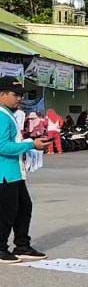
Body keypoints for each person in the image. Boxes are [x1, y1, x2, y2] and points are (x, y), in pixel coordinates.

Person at [0, 78, 49, 263]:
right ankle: (1, 248)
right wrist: (30, 145)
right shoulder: (1, 116)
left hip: (14, 172)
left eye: (21, 95)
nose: (19, 98)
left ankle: (22, 245)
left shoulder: (8, 114)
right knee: (6, 212)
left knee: (23, 208)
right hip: (4, 174)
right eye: (15, 94)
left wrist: (32, 145)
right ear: (2, 94)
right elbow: (2, 146)